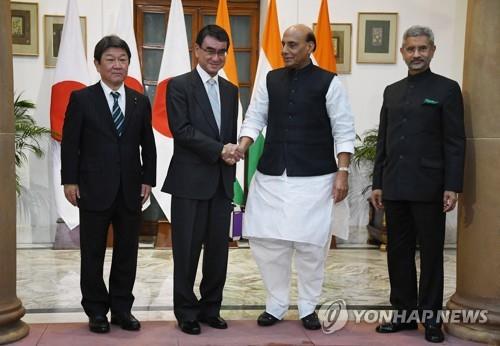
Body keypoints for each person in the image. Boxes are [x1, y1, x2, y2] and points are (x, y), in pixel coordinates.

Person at [236, 24, 355, 330]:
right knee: (268, 242)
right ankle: (275, 305)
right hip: (272, 173)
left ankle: (307, 307)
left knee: (311, 247)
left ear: (310, 47)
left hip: (315, 178)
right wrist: (243, 145)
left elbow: (343, 130)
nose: (285, 50)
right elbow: (255, 116)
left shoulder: (330, 82)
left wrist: (342, 172)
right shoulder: (270, 78)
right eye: (283, 44)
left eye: (292, 45)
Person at [371, 25, 465, 343]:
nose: (416, 55)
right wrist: (377, 183)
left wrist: (452, 186)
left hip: (430, 187)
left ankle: (431, 320)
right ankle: (404, 316)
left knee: (431, 255)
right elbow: (383, 140)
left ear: (432, 51)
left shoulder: (448, 89)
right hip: (395, 186)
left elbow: (455, 142)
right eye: (410, 49)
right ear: (402, 52)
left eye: (422, 49)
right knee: (397, 254)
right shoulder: (392, 91)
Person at [61, 35, 156, 333]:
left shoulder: (140, 100)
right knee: (93, 253)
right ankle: (96, 311)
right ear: (98, 64)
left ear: (129, 63)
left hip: (130, 189)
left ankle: (122, 310)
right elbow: (70, 144)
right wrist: (69, 181)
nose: (117, 65)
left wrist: (148, 180)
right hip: (92, 188)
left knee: (127, 252)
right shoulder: (82, 99)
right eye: (111, 60)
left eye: (122, 59)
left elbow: (148, 145)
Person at [161, 24, 239, 335]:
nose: (216, 57)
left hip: (221, 183)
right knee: (187, 251)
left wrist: (232, 152)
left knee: (218, 252)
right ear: (197, 50)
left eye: (222, 52)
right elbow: (182, 130)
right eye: (210, 50)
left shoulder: (231, 90)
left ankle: (211, 308)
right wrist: (221, 150)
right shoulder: (178, 86)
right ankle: (186, 312)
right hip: (189, 183)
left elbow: (228, 135)